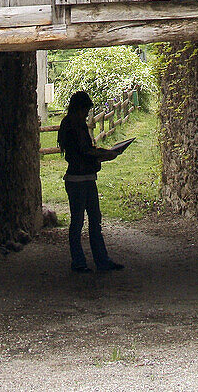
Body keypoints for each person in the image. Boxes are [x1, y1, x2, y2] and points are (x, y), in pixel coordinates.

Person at [57, 90, 126, 273]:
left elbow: (82, 151)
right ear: (79, 108)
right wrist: (105, 154)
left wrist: (102, 154)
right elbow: (85, 151)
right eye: (85, 110)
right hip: (80, 180)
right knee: (84, 222)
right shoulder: (74, 126)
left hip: (81, 178)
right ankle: (91, 262)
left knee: (86, 221)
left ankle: (89, 261)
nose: (87, 114)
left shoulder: (71, 124)